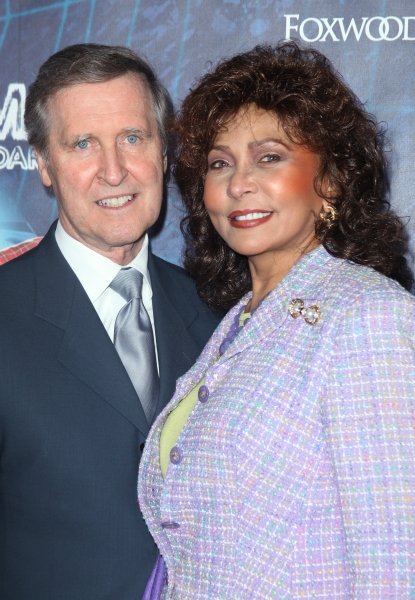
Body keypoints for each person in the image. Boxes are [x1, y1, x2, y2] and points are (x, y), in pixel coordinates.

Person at [138, 41, 415, 598]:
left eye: (270, 157)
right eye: (220, 163)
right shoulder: (235, 324)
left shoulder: (367, 316)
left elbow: (395, 561)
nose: (239, 183)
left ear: (330, 181)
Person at [0, 44, 221, 600]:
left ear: (164, 153)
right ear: (45, 166)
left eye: (132, 138)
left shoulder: (222, 314)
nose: (114, 170)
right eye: (83, 144)